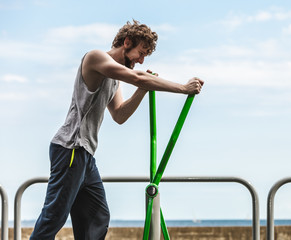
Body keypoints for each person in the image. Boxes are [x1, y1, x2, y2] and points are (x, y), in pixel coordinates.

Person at [30, 20, 204, 240]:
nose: (141, 61)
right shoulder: (95, 58)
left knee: (97, 218)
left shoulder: (114, 80)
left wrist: (142, 90)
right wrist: (182, 88)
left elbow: (120, 114)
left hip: (86, 156)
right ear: (127, 42)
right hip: (70, 148)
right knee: (54, 217)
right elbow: (136, 76)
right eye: (140, 53)